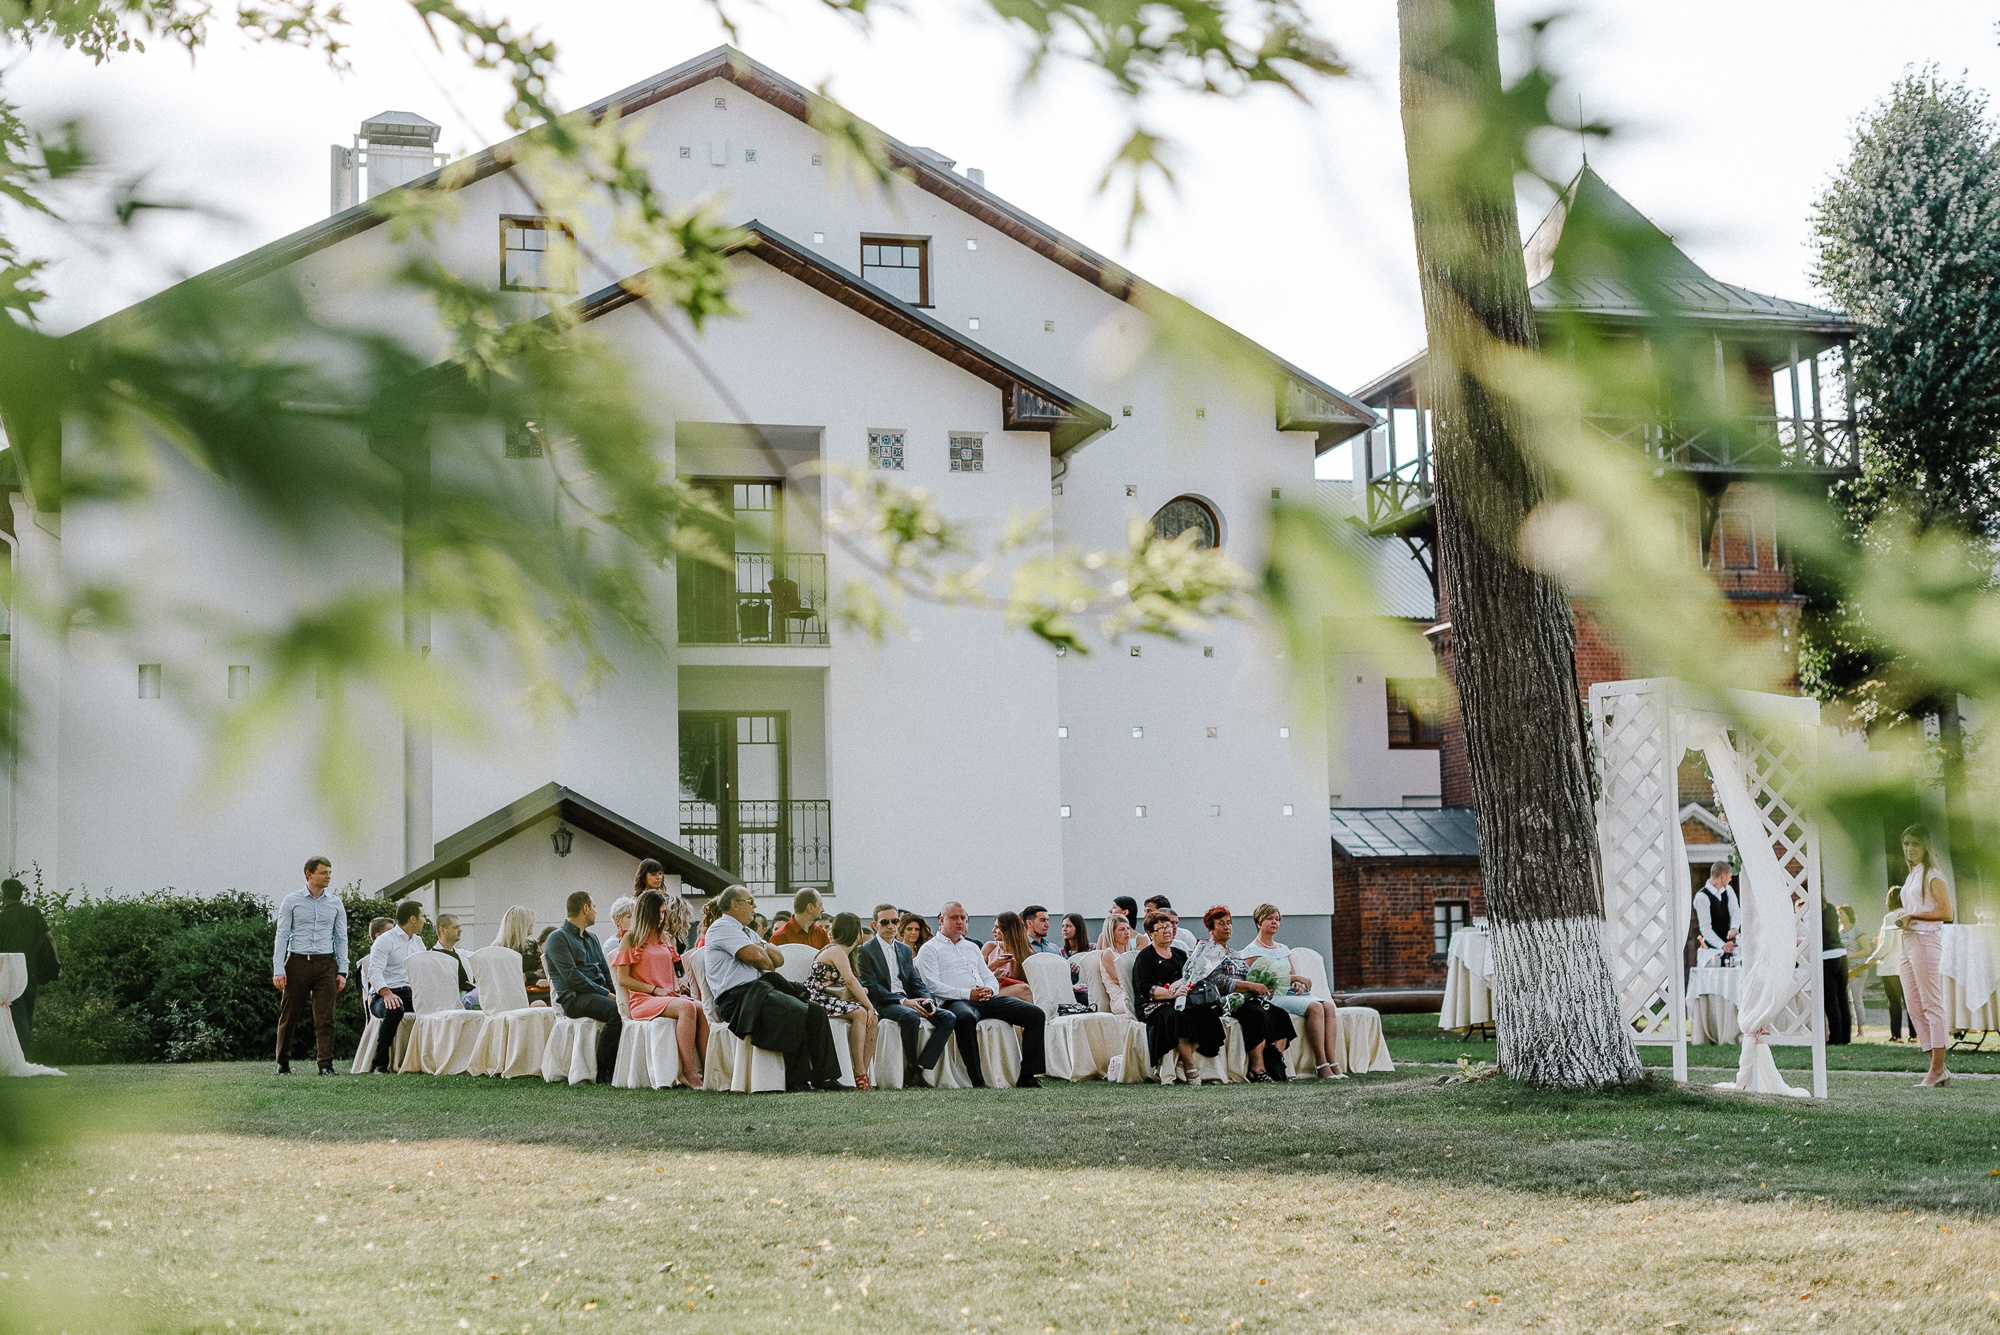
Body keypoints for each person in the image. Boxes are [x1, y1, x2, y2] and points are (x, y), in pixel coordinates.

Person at [701, 885, 845, 1092]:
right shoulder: (722, 927)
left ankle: (826, 1078)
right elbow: (759, 959)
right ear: (734, 904)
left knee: (815, 1010)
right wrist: (760, 952)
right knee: (795, 1009)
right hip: (737, 998)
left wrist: (760, 950)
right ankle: (797, 1081)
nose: (755, 906)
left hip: (758, 991)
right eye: (750, 901)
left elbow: (778, 959)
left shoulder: (747, 932)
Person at [916, 902, 1046, 1088]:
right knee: (965, 1017)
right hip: (955, 1001)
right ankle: (977, 1080)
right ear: (941, 920)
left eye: (963, 918)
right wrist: (969, 994)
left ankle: (1027, 1076)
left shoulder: (971, 947)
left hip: (985, 998)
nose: (960, 922)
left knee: (1035, 1014)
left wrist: (990, 990)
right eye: (954, 918)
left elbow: (987, 976)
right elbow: (933, 986)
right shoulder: (930, 948)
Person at [611, 888, 707, 1088]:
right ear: (648, 913)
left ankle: (707, 1068)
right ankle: (688, 1071)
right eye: (659, 912)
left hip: (665, 997)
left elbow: (673, 971)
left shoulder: (664, 938)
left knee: (701, 1007)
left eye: (664, 912)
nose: (663, 917)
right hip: (643, 1000)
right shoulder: (631, 938)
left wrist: (676, 988)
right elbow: (623, 979)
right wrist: (656, 990)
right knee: (686, 1008)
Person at [857, 902, 956, 1084]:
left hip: (908, 1000)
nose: (891, 926)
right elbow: (871, 987)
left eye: (894, 921)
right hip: (883, 1003)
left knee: (948, 1017)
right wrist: (903, 1001)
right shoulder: (864, 951)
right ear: (875, 925)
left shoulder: (903, 949)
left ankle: (922, 1065)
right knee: (910, 1016)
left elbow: (914, 980)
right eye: (885, 922)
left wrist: (927, 1000)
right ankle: (911, 1069)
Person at [1241, 904, 1342, 1079]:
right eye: (1270, 919)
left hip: (1291, 994)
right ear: (1258, 922)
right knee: (1315, 1007)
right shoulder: (1252, 950)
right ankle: (1321, 1064)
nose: (1275, 922)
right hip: (1273, 997)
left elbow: (1292, 975)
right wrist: (1297, 979)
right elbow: (1260, 981)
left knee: (1328, 1007)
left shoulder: (1283, 948)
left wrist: (1298, 984)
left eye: (1277, 919)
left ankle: (1333, 1063)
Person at [268, 857, 348, 1075]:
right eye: (324, 872)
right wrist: (278, 968)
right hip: (297, 962)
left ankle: (325, 1066)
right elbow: (282, 935)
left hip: (325, 964)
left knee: (326, 1018)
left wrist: (343, 971)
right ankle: (282, 1063)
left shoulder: (335, 903)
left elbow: (341, 938)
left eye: (330, 872)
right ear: (309, 874)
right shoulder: (291, 901)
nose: (328, 877)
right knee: (289, 1015)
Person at [1889, 825, 1954, 1087]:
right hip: (1908, 941)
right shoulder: (1913, 874)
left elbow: (1947, 913)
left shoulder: (1933, 875)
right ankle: (1937, 1068)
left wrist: (1913, 916)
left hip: (1926, 940)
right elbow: (1915, 908)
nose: (1909, 849)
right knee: (1914, 1005)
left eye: (1914, 844)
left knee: (1931, 1004)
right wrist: (1904, 916)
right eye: (1906, 844)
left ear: (1925, 846)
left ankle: (1937, 1069)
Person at [1132, 910, 1226, 1083]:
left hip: (1184, 1000)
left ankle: (1182, 1061)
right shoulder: (1145, 957)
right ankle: (1191, 1067)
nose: (1168, 930)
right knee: (1178, 1016)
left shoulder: (1179, 954)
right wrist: (1171, 993)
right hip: (1155, 1005)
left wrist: (1185, 985)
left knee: (1210, 1015)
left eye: (1169, 926)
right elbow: (1144, 988)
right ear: (1151, 934)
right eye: (1161, 928)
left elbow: (1192, 977)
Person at [1205, 906, 1295, 1081]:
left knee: (1280, 1015)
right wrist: (1251, 986)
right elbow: (1219, 981)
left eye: (1229, 923)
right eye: (1221, 923)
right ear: (1210, 928)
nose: (1227, 927)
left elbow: (1248, 974)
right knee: (1256, 1015)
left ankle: (1274, 1063)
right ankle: (1258, 1069)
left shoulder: (1233, 953)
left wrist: (1264, 985)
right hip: (1225, 1001)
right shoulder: (1207, 951)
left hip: (1246, 998)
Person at [543, 891, 623, 1086]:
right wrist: (607, 994)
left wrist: (619, 993)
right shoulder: (557, 938)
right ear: (585, 908)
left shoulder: (592, 938)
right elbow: (572, 977)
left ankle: (626, 1067)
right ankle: (604, 1070)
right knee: (616, 1012)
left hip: (596, 995)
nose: (596, 911)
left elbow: (606, 971)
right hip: (574, 998)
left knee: (628, 1006)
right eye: (593, 906)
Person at [810, 912, 880, 1089]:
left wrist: (863, 996)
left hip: (834, 997)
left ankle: (862, 1069)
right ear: (853, 931)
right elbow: (850, 980)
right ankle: (858, 1070)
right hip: (818, 998)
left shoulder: (849, 953)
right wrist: (868, 1005)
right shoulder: (836, 950)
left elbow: (852, 984)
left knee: (874, 1018)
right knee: (860, 1013)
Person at [366, 901, 427, 1074]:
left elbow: (423, 971)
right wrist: (387, 994)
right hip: (383, 995)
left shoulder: (418, 942)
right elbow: (374, 972)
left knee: (437, 1009)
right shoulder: (385, 940)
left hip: (411, 994)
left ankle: (429, 1061)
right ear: (413, 919)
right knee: (394, 1009)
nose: (424, 921)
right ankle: (380, 1063)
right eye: (422, 917)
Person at [0, 877, 59, 1055]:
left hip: (9, 973)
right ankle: (24, 1053)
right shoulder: (33, 913)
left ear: (3, 894)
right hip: (30, 970)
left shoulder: (2, 918)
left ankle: (21, 1054)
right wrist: (56, 962)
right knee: (27, 1011)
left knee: (14, 1012)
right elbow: (50, 938)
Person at [1857, 887, 1908, 1041]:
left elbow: (1887, 944)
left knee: (1894, 1002)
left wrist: (1873, 957)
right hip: (1906, 963)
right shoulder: (1909, 915)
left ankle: (1896, 1035)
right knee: (1910, 1002)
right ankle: (1913, 1035)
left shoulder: (1890, 917)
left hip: (1891, 966)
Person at [491, 906, 547, 1003]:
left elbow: (545, 971)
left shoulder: (532, 945)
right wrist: (531, 979)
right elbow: (498, 977)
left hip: (529, 992)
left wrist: (526, 976)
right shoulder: (497, 948)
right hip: (512, 995)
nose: (533, 924)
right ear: (522, 923)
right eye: (531, 921)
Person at [1693, 862, 1740, 963]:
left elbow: (1735, 911)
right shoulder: (1702, 897)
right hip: (1711, 953)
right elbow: (1705, 928)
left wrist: (1734, 927)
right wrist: (1723, 945)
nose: (1730, 879)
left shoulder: (1728, 890)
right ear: (1723, 876)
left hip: (1731, 950)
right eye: (1729, 876)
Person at [1820, 898, 1851, 1045]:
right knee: (1842, 997)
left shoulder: (1816, 910)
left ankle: (1836, 1037)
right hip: (1840, 952)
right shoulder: (1831, 908)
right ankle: (1845, 1037)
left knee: (1831, 999)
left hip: (1826, 955)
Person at [982, 911, 1035, 1000]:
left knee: (1024, 990)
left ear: (1008, 930)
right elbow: (977, 975)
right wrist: (993, 966)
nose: (993, 931)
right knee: (1024, 990)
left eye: (997, 927)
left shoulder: (1027, 952)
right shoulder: (990, 947)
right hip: (991, 991)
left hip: (1016, 995)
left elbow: (1032, 983)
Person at [431, 914, 478, 1009]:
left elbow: (480, 957)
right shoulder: (432, 957)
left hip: (466, 995)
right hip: (450, 1000)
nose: (460, 930)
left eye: (459, 927)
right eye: (456, 927)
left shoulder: (462, 954)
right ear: (442, 930)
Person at [1092, 914, 1135, 1015]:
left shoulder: (1129, 951)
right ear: (1111, 933)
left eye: (1128, 928)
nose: (1127, 932)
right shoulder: (1108, 954)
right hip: (1121, 999)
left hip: (1133, 994)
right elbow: (1119, 981)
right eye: (1121, 929)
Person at [1837, 905, 1866, 1037]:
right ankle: (1845, 1027)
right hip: (1843, 970)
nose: (1839, 916)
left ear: (1848, 915)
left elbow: (1867, 950)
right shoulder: (1840, 931)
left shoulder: (1856, 930)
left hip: (1857, 968)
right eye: (1838, 913)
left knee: (1856, 999)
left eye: (1841, 913)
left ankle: (1860, 1030)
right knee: (1842, 999)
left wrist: (1850, 955)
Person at [1060, 912, 1092, 1004]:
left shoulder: (1092, 949)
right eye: (1063, 926)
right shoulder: (1061, 953)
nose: (1064, 929)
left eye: (1068, 926)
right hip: (1072, 993)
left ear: (1078, 928)